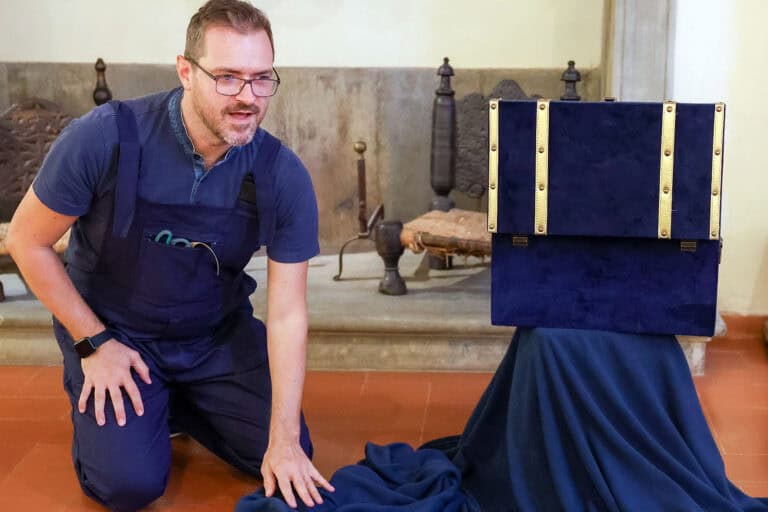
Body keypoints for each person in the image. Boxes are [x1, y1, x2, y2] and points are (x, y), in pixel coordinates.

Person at [6, 1, 333, 510]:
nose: (247, 97)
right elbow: (26, 241)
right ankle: (142, 407)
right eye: (227, 78)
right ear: (186, 71)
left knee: (286, 455)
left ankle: (175, 402)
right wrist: (93, 342)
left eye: (260, 78)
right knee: (128, 486)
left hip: (213, 338)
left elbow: (288, 313)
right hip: (115, 332)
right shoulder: (106, 137)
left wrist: (285, 438)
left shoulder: (279, 173)